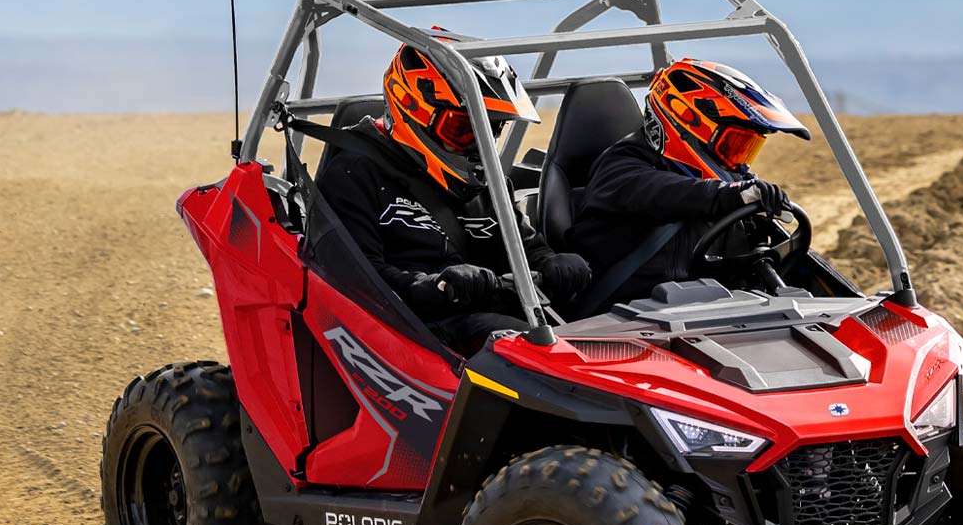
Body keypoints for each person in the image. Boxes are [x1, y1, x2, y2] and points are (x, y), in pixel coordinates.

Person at [316, 45, 592, 355]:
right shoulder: (352, 175)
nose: (477, 146)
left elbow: (526, 246)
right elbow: (357, 283)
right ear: (414, 111)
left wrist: (552, 263)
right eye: (461, 130)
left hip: (493, 327)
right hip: (411, 336)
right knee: (522, 347)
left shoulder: (488, 182)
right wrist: (433, 285)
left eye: (489, 129)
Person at [570, 59, 809, 307]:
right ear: (687, 121)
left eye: (747, 149)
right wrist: (732, 195)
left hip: (707, 312)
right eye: (733, 145)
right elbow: (663, 192)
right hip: (620, 320)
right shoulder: (619, 169)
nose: (738, 164)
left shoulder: (720, 184)